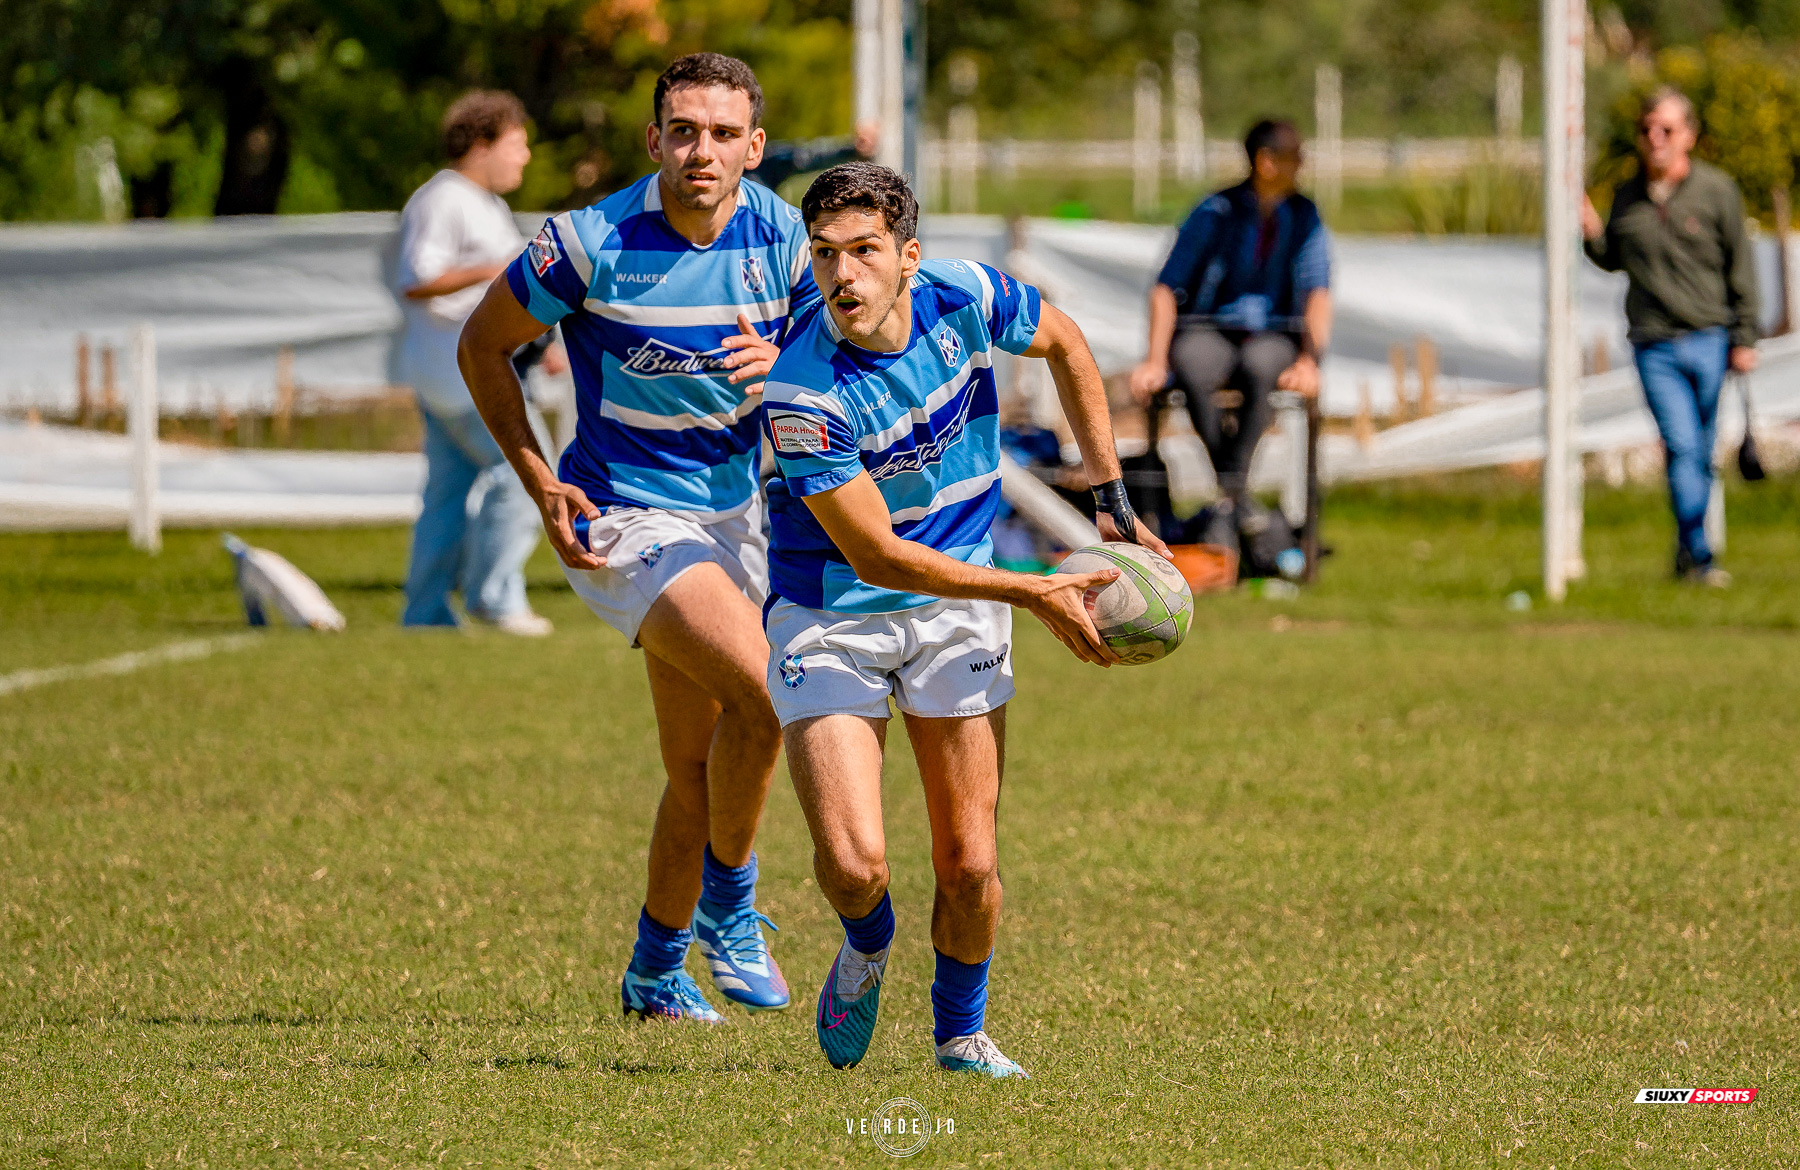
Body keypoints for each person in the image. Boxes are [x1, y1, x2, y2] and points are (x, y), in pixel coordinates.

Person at [760, 162, 1170, 1078]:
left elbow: (1064, 344)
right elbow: (875, 556)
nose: (843, 276)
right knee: (858, 863)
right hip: (832, 617)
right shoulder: (802, 391)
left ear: (910, 256)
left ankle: (960, 1035)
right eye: (824, 255)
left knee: (971, 862)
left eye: (864, 252)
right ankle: (867, 944)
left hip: (959, 608)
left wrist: (1109, 496)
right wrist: (1032, 589)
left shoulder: (967, 294)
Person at [456, 54, 818, 1022]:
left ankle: (655, 972)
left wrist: (787, 362)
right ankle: (730, 910)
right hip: (625, 514)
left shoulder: (782, 235)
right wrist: (539, 478)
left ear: (755, 147)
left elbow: (838, 361)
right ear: (657, 140)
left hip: (737, 515)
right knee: (769, 694)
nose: (702, 150)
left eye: (723, 133)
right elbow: (480, 344)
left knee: (698, 773)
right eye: (684, 131)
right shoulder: (587, 242)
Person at [395, 90, 566, 635]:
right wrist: (498, 267)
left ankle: (424, 613)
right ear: (483, 142)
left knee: (445, 493)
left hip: (448, 375)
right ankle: (494, 597)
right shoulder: (442, 198)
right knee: (525, 475)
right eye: (517, 143)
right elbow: (418, 279)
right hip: (462, 376)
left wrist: (545, 342)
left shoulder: (484, 203)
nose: (525, 157)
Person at [1128, 119, 1332, 555]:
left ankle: (1228, 496)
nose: (1303, 163)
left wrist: (1310, 361)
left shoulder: (1304, 216)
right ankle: (1238, 496)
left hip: (1275, 333)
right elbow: (1166, 286)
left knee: (1261, 367)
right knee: (1194, 363)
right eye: (1296, 155)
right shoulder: (1213, 212)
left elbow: (1318, 292)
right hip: (1210, 327)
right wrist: (1155, 361)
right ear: (1266, 161)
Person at [1583, 86, 1760, 588]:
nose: (1654, 139)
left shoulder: (1716, 192)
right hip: (1654, 343)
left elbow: (1741, 269)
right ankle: (1701, 555)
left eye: (1666, 129)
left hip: (1710, 338)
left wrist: (1745, 337)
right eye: (1646, 130)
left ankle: (1687, 552)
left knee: (1701, 453)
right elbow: (1615, 258)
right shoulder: (1628, 194)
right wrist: (1590, 233)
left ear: (1689, 135)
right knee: (1682, 446)